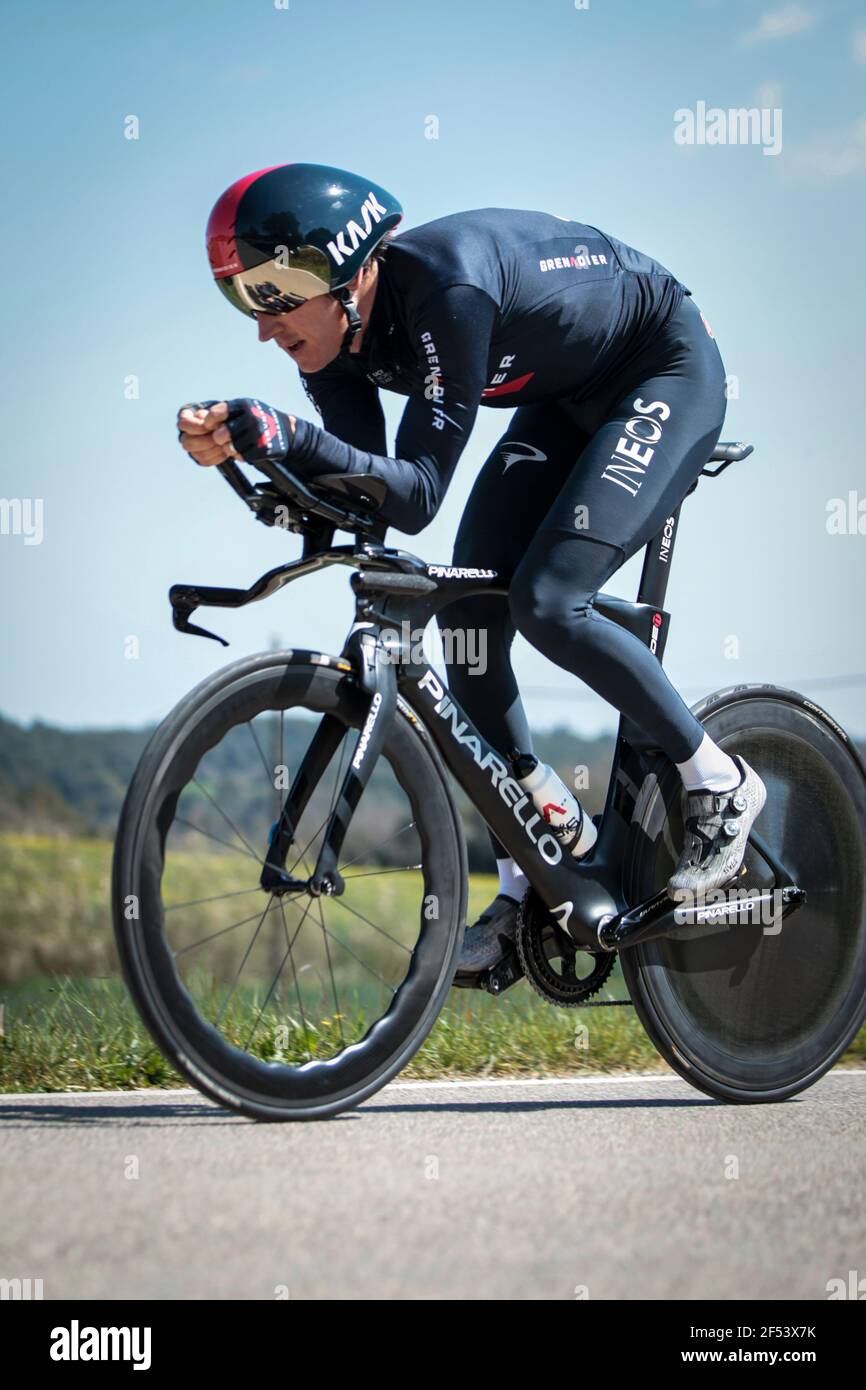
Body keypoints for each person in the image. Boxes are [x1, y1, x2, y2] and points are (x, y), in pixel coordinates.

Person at [179, 162, 766, 975]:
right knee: (466, 623)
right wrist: (254, 453)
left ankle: (719, 779)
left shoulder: (447, 294)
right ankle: (529, 872)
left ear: (342, 265)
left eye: (273, 292)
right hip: (562, 400)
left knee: (551, 601)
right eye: (244, 297)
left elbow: (417, 493)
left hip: (661, 371)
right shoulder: (332, 341)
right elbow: (371, 498)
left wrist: (286, 432)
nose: (262, 324)